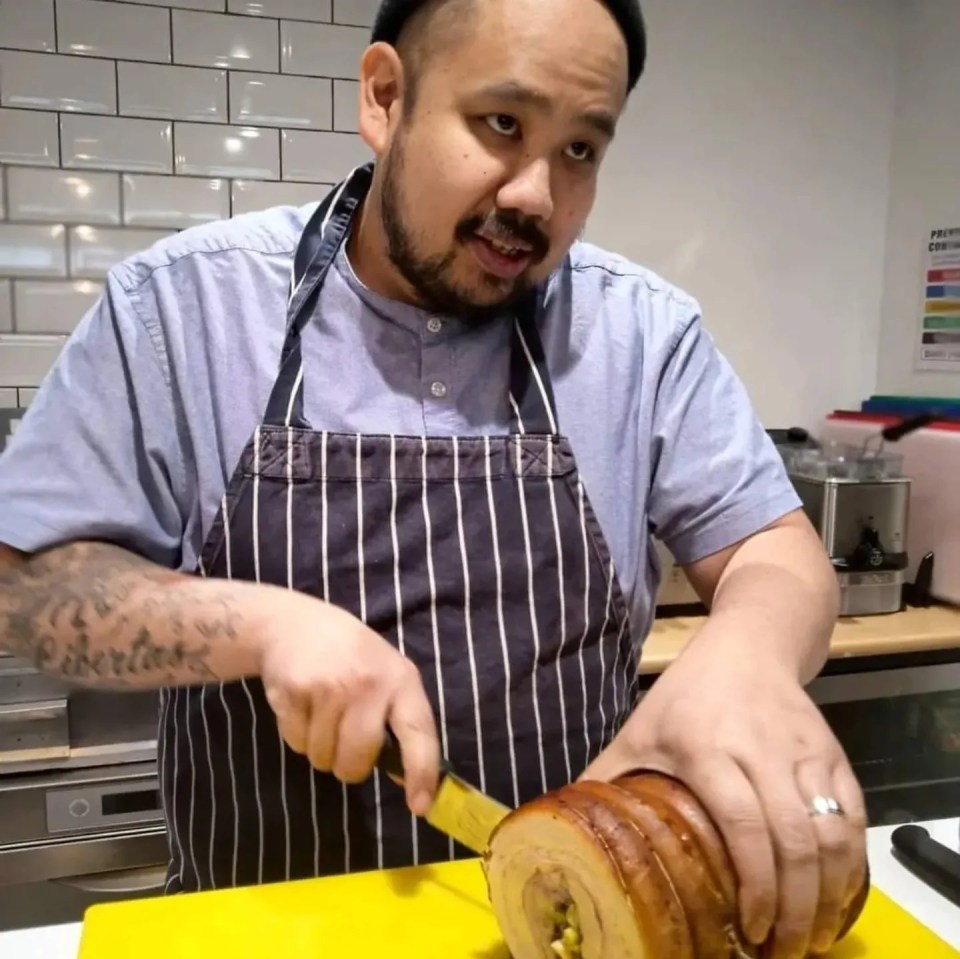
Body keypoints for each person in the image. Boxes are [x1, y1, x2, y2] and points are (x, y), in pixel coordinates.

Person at [0, 0, 865, 956]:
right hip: (263, 930)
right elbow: (22, 588)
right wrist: (264, 625)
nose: (537, 192)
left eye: (581, 150)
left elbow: (776, 553)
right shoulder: (183, 309)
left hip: (567, 928)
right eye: (503, 125)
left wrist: (746, 654)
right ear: (385, 97)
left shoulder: (642, 334)